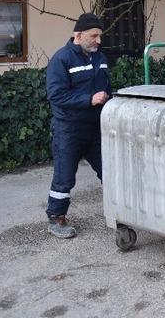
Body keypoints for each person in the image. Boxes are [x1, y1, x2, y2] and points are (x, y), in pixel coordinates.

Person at [45, 13, 112, 238]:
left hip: (95, 128)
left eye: (99, 36)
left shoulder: (99, 58)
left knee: (110, 170)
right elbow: (56, 96)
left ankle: (121, 211)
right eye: (94, 36)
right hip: (69, 130)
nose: (98, 41)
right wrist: (88, 100)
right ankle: (56, 219)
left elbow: (106, 89)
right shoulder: (61, 59)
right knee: (64, 177)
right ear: (78, 35)